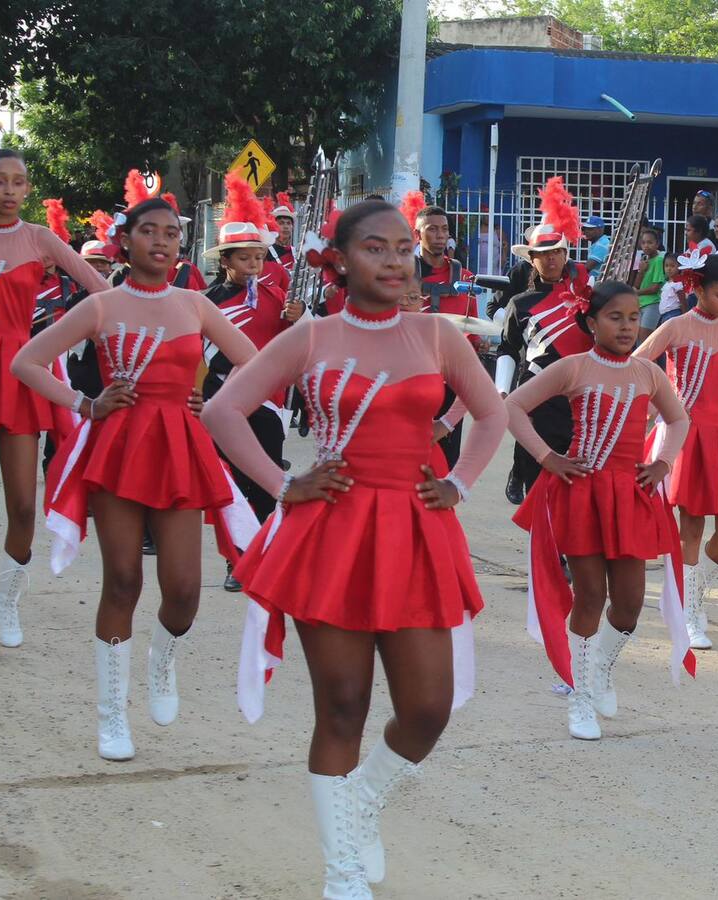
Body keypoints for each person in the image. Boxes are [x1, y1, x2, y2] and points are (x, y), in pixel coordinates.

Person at [202, 199, 507, 899]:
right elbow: (223, 409)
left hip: (416, 529)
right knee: (342, 706)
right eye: (376, 248)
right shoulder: (311, 335)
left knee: (427, 708)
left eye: (404, 248)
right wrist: (283, 482)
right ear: (339, 259)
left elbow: (492, 413)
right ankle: (341, 867)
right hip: (332, 531)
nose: (396, 261)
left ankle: (359, 803)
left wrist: (459, 482)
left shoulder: (436, 333)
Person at [10, 196, 259, 761]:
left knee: (185, 592)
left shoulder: (195, 305)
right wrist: (85, 403)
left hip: (180, 447)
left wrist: (213, 400)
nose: (162, 242)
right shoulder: (103, 304)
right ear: (126, 241)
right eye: (150, 231)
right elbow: (26, 360)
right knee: (123, 581)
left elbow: (256, 362)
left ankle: (161, 660)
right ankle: (111, 714)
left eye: (172, 233)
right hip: (120, 447)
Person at [507, 280, 693, 740]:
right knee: (589, 596)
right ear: (591, 322)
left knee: (629, 605)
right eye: (615, 317)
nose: (627, 326)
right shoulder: (573, 367)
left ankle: (600, 670)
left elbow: (678, 418)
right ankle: (580, 695)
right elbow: (513, 406)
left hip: (628, 495)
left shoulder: (649, 374)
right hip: (582, 492)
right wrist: (547, 457)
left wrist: (664, 462)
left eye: (633, 317)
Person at [0, 149, 110, 662]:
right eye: (0, 181)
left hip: (20, 370)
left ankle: (7, 606)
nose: (10, 190)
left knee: (21, 504)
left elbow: (101, 291)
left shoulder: (41, 239)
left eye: (19, 182)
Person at [635, 253, 718, 650]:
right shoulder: (675, 326)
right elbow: (639, 364)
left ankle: (693, 596)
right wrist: (659, 408)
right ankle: (687, 611)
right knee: (690, 526)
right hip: (687, 436)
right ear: (696, 289)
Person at [203, 174, 305, 591]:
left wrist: (300, 318)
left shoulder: (279, 298)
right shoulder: (208, 301)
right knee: (231, 482)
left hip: (268, 400)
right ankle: (236, 559)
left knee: (265, 478)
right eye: (244, 259)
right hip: (221, 398)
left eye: (259, 258)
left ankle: (265, 551)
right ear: (226, 260)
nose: (253, 266)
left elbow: (302, 343)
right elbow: (198, 355)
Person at [497, 179, 593, 503]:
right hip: (537, 392)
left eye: (556, 252)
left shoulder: (586, 295)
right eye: (543, 254)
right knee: (540, 478)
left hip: (580, 394)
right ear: (532, 259)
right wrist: (501, 388)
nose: (551, 259)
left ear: (566, 255)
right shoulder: (520, 303)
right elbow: (508, 347)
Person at [414, 204, 479, 467]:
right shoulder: (402, 276)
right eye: (432, 229)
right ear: (418, 235)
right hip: (412, 377)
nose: (440, 235)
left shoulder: (464, 278)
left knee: (447, 461)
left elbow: (473, 331)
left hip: (452, 379)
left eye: (444, 230)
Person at [634, 228, 665, 338]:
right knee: (638, 337)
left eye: (650, 242)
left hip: (653, 303)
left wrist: (636, 292)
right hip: (641, 303)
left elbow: (654, 288)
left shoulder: (659, 260)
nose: (646, 246)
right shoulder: (645, 259)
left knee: (644, 336)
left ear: (657, 244)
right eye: (643, 243)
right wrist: (641, 271)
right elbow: (637, 285)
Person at [270, 192, 297, 275]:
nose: (286, 227)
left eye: (288, 223)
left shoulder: (295, 252)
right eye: (281, 223)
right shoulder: (265, 253)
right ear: (274, 226)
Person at [656, 252, 685, 325]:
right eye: (666, 266)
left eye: (672, 266)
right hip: (664, 315)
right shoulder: (666, 283)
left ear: (679, 267)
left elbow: (682, 302)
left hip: (673, 314)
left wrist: (685, 317)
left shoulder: (678, 283)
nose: (669, 269)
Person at [582, 215, 611, 280]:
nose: (586, 232)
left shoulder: (602, 245)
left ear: (600, 230)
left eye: (590, 229)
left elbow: (587, 268)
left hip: (598, 285)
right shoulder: (601, 242)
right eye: (585, 229)